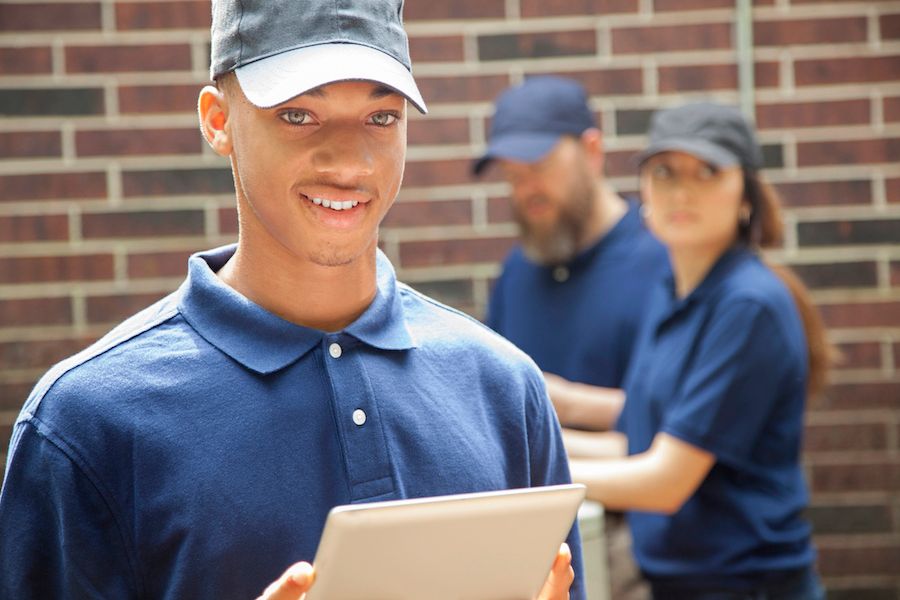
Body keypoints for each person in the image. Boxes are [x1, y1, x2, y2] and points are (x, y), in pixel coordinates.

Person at [0, 2, 584, 599]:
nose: (351, 162)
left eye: (381, 117)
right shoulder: (85, 422)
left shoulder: (503, 387)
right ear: (217, 120)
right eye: (299, 114)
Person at [564, 101, 831, 600]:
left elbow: (665, 480)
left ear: (746, 195)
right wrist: (536, 431)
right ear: (643, 189)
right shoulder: (672, 288)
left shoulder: (747, 305)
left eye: (707, 171)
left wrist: (527, 473)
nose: (682, 191)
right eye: (664, 171)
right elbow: (644, 439)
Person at [474, 76, 669, 599]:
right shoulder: (518, 273)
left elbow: (678, 424)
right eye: (512, 177)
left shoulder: (664, 262)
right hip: (534, 547)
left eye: (537, 168)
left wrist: (561, 403)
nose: (525, 190)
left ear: (592, 150)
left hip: (645, 550)